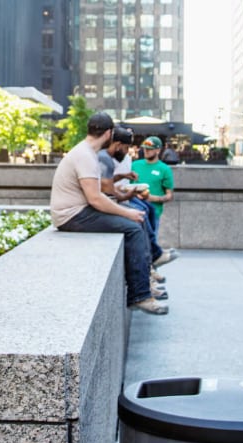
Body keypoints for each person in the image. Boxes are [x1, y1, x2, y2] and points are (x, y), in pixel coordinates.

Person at [50, 113, 167, 315]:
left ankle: (144, 285)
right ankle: (140, 296)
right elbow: (96, 199)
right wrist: (128, 213)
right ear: (108, 133)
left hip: (77, 211)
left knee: (136, 221)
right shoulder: (86, 156)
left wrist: (128, 212)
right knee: (133, 227)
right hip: (73, 216)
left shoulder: (86, 153)